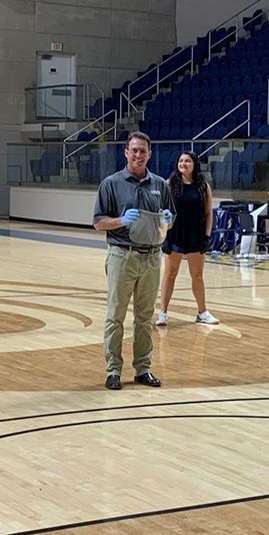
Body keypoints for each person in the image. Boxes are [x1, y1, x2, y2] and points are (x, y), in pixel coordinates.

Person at [93, 132, 174, 390]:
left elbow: (169, 221)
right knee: (115, 315)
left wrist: (168, 220)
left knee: (144, 317)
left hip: (151, 257)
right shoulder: (111, 183)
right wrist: (119, 221)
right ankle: (113, 370)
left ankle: (143, 368)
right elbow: (97, 222)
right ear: (126, 153)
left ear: (150, 154)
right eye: (134, 150)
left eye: (143, 151)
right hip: (121, 254)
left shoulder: (160, 185)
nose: (138, 155)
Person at [156, 150, 218, 327]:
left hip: (195, 234)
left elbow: (208, 214)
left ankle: (202, 312)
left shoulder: (203, 186)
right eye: (181, 160)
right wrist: (164, 236)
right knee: (170, 274)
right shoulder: (169, 184)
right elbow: (162, 213)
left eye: (187, 161)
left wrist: (207, 236)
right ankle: (163, 313)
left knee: (197, 275)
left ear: (194, 164)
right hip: (175, 233)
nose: (183, 163)